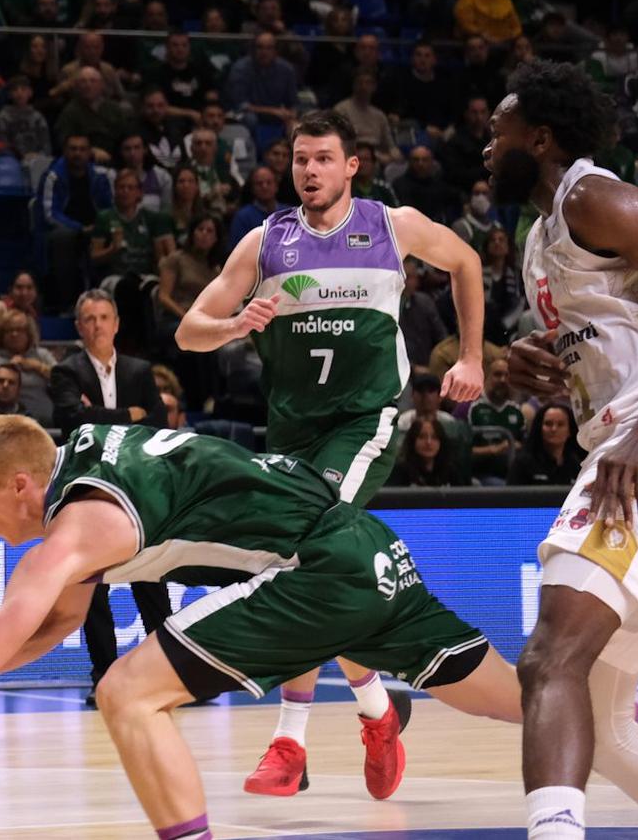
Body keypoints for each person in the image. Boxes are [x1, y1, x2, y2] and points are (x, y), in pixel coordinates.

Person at [0, 419, 525, 835]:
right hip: (373, 551)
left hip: (318, 572)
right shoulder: (83, 456)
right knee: (529, 702)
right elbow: (60, 622)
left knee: (126, 692)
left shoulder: (73, 531)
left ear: (22, 482)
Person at [176, 108, 487, 796]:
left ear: (352, 165)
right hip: (291, 431)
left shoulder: (389, 225)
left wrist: (472, 356)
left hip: (364, 421)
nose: (309, 170)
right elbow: (188, 329)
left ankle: (290, 739)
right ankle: (378, 710)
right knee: (321, 568)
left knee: (308, 550)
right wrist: (235, 324)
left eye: (323, 158)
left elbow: (465, 260)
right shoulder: (265, 242)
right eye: (299, 159)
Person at [485, 59, 638, 838]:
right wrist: (529, 361)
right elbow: (601, 335)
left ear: (539, 137)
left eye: (498, 129)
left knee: (550, 660)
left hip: (632, 453)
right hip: (611, 446)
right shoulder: (541, 236)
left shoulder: (592, 194)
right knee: (607, 728)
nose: (486, 143)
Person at [48, 289, 173, 690]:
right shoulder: (66, 371)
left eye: (104, 317)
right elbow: (73, 421)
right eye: (89, 318)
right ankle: (103, 675)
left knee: (151, 582)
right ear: (79, 327)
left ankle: (168, 674)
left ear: (117, 324)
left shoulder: (139, 371)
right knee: (92, 592)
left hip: (136, 491)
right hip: (88, 494)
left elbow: (155, 423)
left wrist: (99, 416)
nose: (98, 325)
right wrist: (126, 417)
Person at [510, 402, 583, 487]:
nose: (554, 429)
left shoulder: (576, 464)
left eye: (560, 424)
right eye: (548, 424)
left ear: (569, 431)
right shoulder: (522, 463)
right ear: (539, 428)